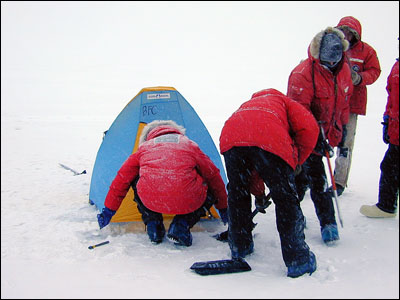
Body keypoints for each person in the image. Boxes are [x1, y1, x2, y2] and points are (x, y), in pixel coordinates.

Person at [219, 88, 319, 278]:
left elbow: (252, 166)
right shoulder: (285, 102)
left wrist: (258, 194)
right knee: (285, 198)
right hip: (270, 139)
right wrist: (296, 159)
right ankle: (298, 259)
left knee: (238, 193)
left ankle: (240, 245)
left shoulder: (247, 106)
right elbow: (310, 128)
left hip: (231, 138)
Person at [97, 120, 228, 246]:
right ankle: (182, 224)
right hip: (188, 200)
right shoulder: (189, 145)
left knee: (135, 178)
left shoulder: (143, 149)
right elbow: (213, 176)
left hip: (151, 201)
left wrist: (108, 211)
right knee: (208, 182)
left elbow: (121, 180)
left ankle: (154, 225)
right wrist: (223, 208)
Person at [287, 26, 353, 243]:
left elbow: (343, 104)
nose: (330, 66)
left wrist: (340, 132)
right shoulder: (302, 74)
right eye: (327, 63)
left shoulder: (344, 71)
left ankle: (328, 222)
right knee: (306, 179)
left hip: (328, 134)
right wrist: (314, 138)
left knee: (318, 180)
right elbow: (298, 112)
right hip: (305, 136)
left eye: (334, 62)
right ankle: (303, 218)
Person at [330, 16, 381, 196]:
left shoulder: (367, 52)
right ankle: (311, 177)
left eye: (350, 32)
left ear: (356, 34)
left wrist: (360, 79)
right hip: (331, 102)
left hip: (352, 106)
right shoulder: (332, 47)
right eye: (343, 31)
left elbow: (375, 71)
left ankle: (339, 181)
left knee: (345, 143)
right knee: (320, 139)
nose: (346, 35)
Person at [360, 55, 399, 218]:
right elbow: (392, 98)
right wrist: (388, 121)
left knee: (390, 167)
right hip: (395, 126)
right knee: (390, 166)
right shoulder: (397, 66)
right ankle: (387, 205)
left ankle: (387, 206)